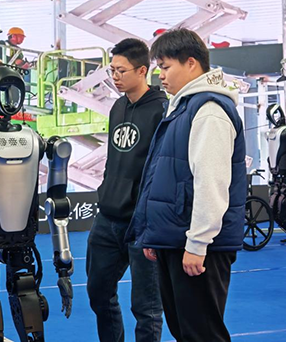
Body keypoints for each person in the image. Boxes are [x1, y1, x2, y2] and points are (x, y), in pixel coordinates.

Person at [127, 28, 247, 342]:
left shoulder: (209, 111)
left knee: (201, 334)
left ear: (191, 63)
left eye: (165, 67)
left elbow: (211, 181)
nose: (160, 75)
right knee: (184, 331)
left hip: (196, 245)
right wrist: (156, 234)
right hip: (177, 238)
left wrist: (197, 243)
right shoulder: (182, 107)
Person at [86, 38, 165, 342]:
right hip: (107, 218)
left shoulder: (161, 110)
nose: (115, 76)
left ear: (142, 70)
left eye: (121, 70)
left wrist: (153, 221)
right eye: (112, 70)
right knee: (98, 293)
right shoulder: (118, 107)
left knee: (147, 309)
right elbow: (114, 158)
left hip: (142, 224)